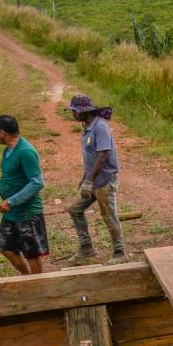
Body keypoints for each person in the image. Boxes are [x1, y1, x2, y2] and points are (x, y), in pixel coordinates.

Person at [65, 93, 125, 264]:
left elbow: (103, 156)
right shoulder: (88, 126)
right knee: (74, 209)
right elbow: (91, 156)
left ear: (84, 112)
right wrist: (85, 178)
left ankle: (120, 253)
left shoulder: (101, 127)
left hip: (105, 180)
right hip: (93, 179)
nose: (73, 114)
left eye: (75, 111)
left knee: (109, 215)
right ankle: (86, 248)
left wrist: (89, 181)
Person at [0, 115, 48, 276]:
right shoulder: (8, 151)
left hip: (28, 212)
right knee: (6, 248)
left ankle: (36, 285)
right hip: (11, 214)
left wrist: (12, 201)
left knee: (31, 252)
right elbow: (11, 177)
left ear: (2, 133)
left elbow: (37, 182)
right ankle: (27, 279)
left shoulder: (25, 151)